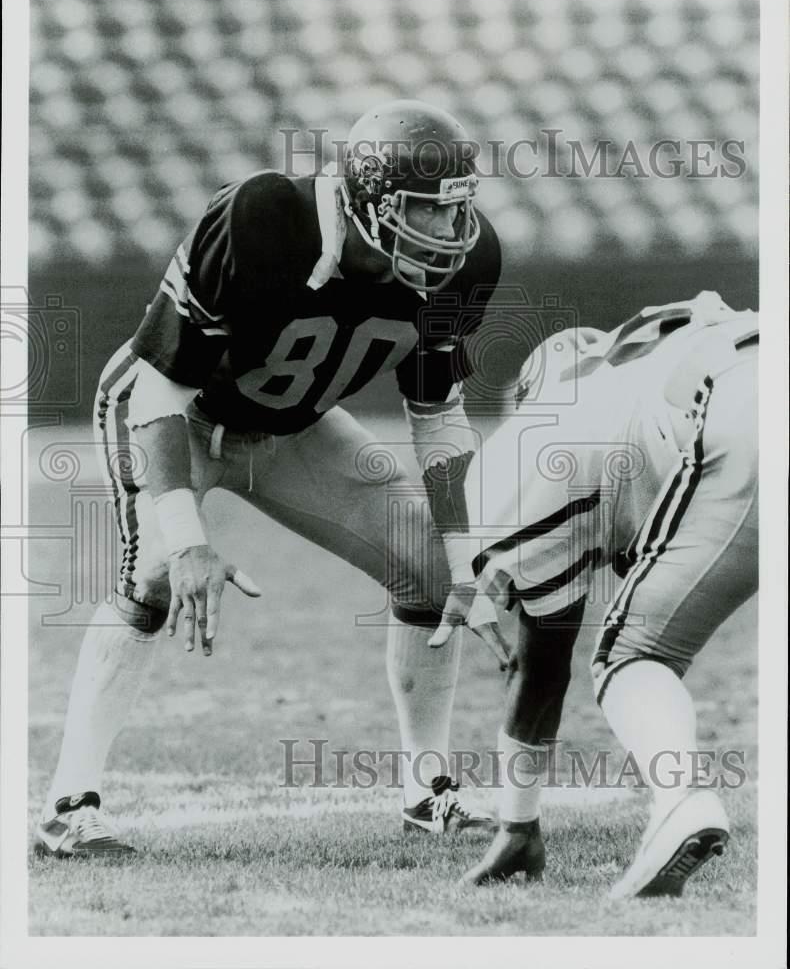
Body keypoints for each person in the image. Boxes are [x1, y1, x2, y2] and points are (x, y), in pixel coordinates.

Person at [35, 100, 508, 857]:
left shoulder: (465, 267)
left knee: (427, 570)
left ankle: (428, 791)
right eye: (426, 211)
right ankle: (71, 807)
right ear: (368, 198)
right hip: (173, 412)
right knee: (153, 574)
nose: (450, 235)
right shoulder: (262, 219)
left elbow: (439, 415)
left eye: (455, 213)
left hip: (294, 427)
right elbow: (160, 388)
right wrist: (188, 537)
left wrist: (464, 561)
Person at [428, 291, 758, 897]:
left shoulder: (541, 446)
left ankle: (681, 798)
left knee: (632, 656)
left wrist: (519, 820)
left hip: (738, 419)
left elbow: (542, 663)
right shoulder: (637, 360)